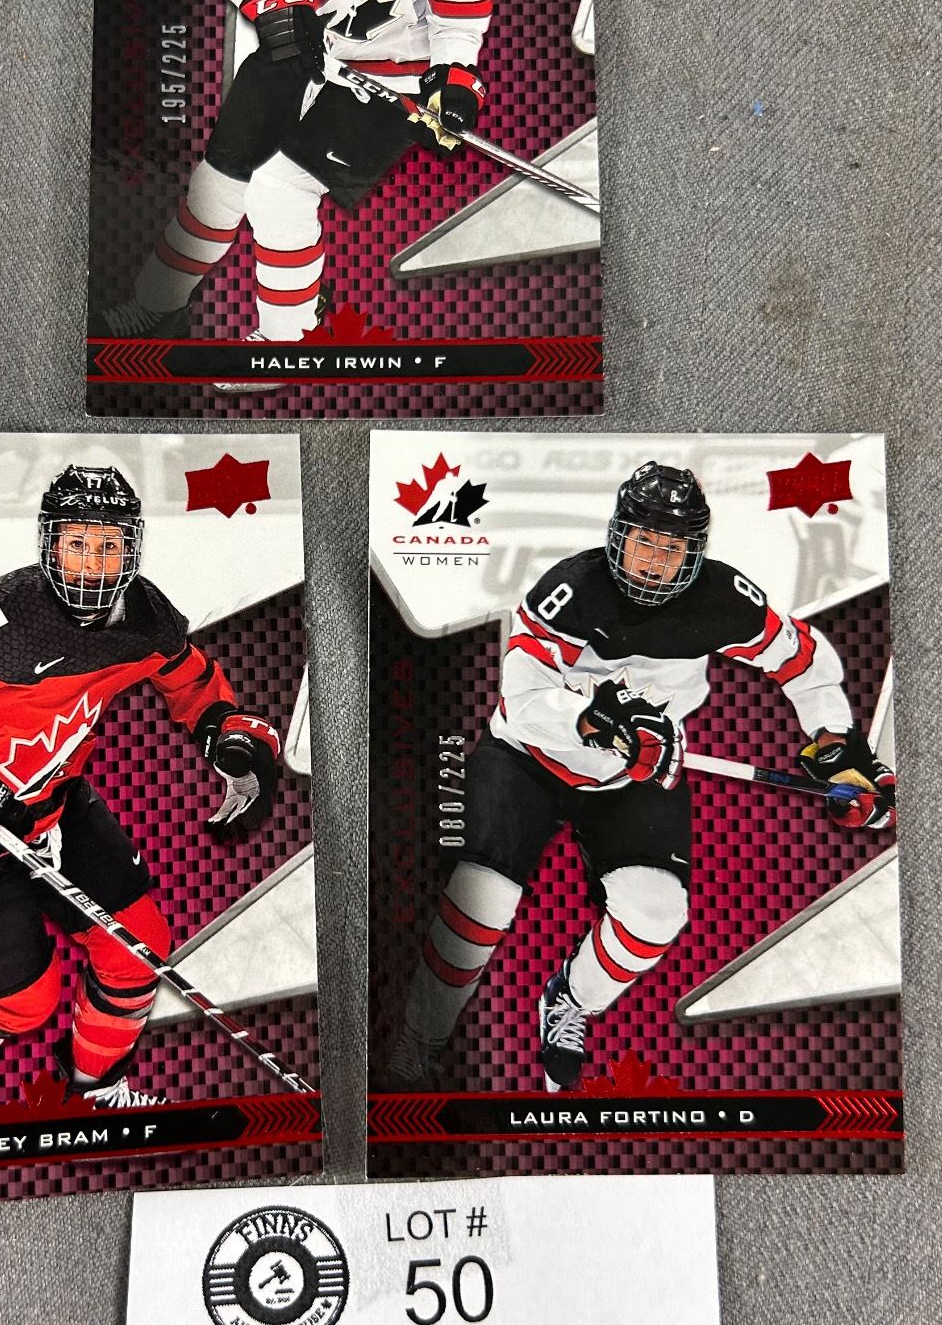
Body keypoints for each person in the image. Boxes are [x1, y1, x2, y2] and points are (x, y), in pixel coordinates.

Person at [382, 462, 896, 1093]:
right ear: (618, 535)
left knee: (656, 914)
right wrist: (591, 717)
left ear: (694, 553)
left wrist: (835, 743)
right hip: (527, 759)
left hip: (634, 775)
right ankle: (421, 1037)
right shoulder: (570, 589)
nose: (654, 562)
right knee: (483, 898)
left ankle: (570, 1000)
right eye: (644, 542)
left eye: (671, 548)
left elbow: (804, 662)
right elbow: (522, 696)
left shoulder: (725, 600)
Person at [0, 465, 282, 1122]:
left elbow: (190, 680)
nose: (92, 565)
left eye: (108, 546)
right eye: (77, 545)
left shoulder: (145, 620)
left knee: (138, 949)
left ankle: (94, 1087)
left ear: (133, 549)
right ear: (49, 545)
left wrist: (230, 737)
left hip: (50, 803)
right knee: (22, 1002)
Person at [101, 0, 492, 353]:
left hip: (389, 80)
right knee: (219, 184)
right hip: (304, 53)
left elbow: (459, 22)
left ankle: (289, 340)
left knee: (278, 189)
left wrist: (453, 86)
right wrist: (274, 5)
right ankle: (159, 304)